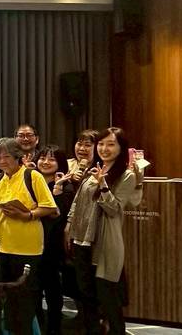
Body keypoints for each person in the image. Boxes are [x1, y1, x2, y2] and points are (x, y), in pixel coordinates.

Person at [0, 137, 58, 335]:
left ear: (17, 156)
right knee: (6, 295)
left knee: (26, 297)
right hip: (2, 245)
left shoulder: (32, 176)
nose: (2, 161)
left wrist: (27, 215)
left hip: (28, 247)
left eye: (7, 157)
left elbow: (49, 207)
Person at [65, 127, 143, 335]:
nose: (104, 148)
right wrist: (69, 224)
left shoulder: (126, 175)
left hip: (104, 242)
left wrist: (103, 185)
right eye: (101, 144)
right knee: (86, 295)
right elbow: (78, 200)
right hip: (81, 239)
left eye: (111, 144)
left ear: (121, 148)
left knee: (108, 297)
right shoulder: (94, 169)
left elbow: (114, 209)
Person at [34, 145, 77, 335]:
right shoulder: (32, 182)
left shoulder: (66, 186)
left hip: (53, 243)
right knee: (34, 288)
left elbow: (57, 216)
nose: (45, 162)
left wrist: (57, 190)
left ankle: (54, 327)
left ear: (60, 163)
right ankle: (37, 326)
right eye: (43, 158)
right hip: (32, 240)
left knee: (52, 287)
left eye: (51, 159)